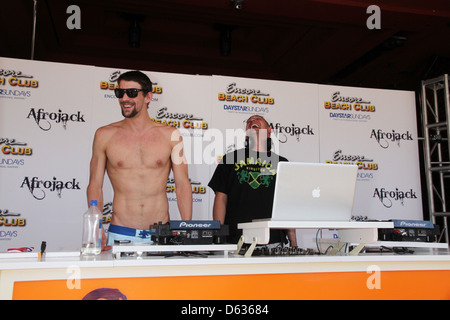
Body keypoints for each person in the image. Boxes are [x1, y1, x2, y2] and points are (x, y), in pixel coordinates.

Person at [87, 70, 192, 248]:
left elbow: (182, 184)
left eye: (132, 93)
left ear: (148, 97)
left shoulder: (171, 135)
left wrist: (187, 229)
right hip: (120, 233)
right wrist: (96, 227)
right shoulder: (104, 135)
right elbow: (95, 185)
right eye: (120, 93)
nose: (124, 98)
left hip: (161, 234)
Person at [208, 115, 297, 247]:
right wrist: (219, 236)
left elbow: (286, 205)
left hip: (272, 240)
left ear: (269, 130)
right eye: (249, 121)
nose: (252, 121)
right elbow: (220, 198)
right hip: (236, 240)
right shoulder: (230, 159)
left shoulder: (281, 163)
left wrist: (293, 242)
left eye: (258, 119)